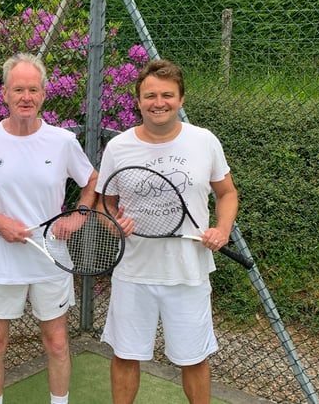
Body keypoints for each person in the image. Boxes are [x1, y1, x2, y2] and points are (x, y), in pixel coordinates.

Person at [96, 59, 239, 404]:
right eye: (150, 95)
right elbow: (104, 204)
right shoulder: (118, 147)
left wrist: (222, 228)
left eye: (167, 95)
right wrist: (114, 223)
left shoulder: (204, 142)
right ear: (138, 100)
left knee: (193, 358)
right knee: (126, 355)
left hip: (188, 273)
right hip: (134, 273)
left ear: (181, 99)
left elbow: (227, 193)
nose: (158, 102)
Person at [0, 53, 101, 404]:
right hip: (0, 259)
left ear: (43, 95)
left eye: (33, 89)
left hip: (50, 257)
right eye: (19, 89)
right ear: (5, 94)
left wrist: (78, 216)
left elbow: (92, 181)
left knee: (56, 341)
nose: (26, 96)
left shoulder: (62, 141)